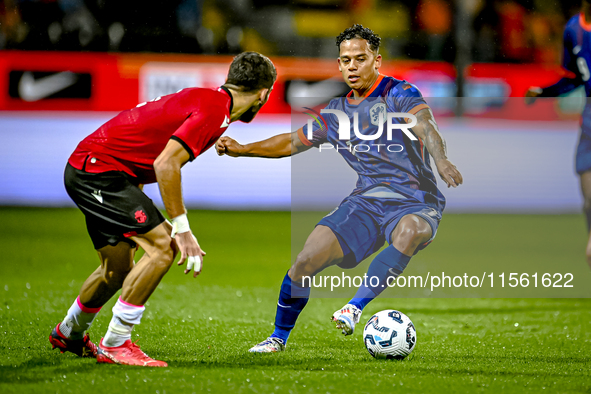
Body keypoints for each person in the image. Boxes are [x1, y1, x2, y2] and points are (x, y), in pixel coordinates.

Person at [216, 25, 463, 353]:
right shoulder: (335, 114)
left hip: (415, 200)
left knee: (410, 231)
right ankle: (277, 338)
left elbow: (426, 126)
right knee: (305, 261)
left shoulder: (398, 93)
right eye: (346, 60)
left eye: (360, 59)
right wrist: (244, 148)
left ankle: (355, 307)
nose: (352, 66)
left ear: (377, 60)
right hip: (366, 202)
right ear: (338, 64)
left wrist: (442, 159)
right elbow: (292, 141)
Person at [48, 51, 276, 366]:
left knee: (116, 270)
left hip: (94, 169)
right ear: (263, 94)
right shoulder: (215, 111)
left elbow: (140, 144)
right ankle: (116, 342)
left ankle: (68, 332)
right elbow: (166, 163)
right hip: (99, 173)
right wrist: (181, 230)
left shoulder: (207, 100)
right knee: (165, 246)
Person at [526, 0, 591, 269]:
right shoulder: (573, 29)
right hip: (589, 123)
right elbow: (574, 77)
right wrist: (545, 92)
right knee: (588, 201)